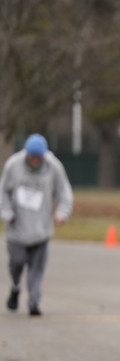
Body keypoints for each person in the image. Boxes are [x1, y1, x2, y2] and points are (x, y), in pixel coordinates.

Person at [1, 133, 73, 317]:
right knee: (17, 263)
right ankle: (15, 287)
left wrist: (62, 213)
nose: (34, 160)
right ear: (26, 153)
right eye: (31, 156)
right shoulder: (13, 165)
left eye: (38, 157)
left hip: (41, 228)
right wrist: (7, 214)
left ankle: (34, 302)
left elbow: (64, 193)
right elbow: (3, 193)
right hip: (16, 228)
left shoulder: (54, 167)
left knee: (36, 269)